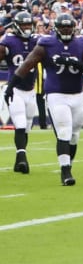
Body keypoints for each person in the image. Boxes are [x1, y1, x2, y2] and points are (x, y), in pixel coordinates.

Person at [14, 13, 83, 186]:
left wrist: (72, 63)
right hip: (56, 94)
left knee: (74, 135)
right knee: (64, 131)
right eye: (62, 27)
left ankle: (68, 164)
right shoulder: (47, 43)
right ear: (57, 29)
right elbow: (27, 63)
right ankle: (65, 171)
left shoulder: (82, 43)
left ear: (73, 27)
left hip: (77, 94)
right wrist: (11, 85)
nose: (66, 30)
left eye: (68, 26)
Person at [2, 11, 38, 174]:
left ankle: (19, 160)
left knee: (27, 127)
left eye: (28, 25)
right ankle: (23, 159)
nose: (26, 28)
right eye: (23, 25)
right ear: (16, 26)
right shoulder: (8, 42)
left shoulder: (36, 41)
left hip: (31, 90)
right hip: (15, 89)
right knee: (21, 124)